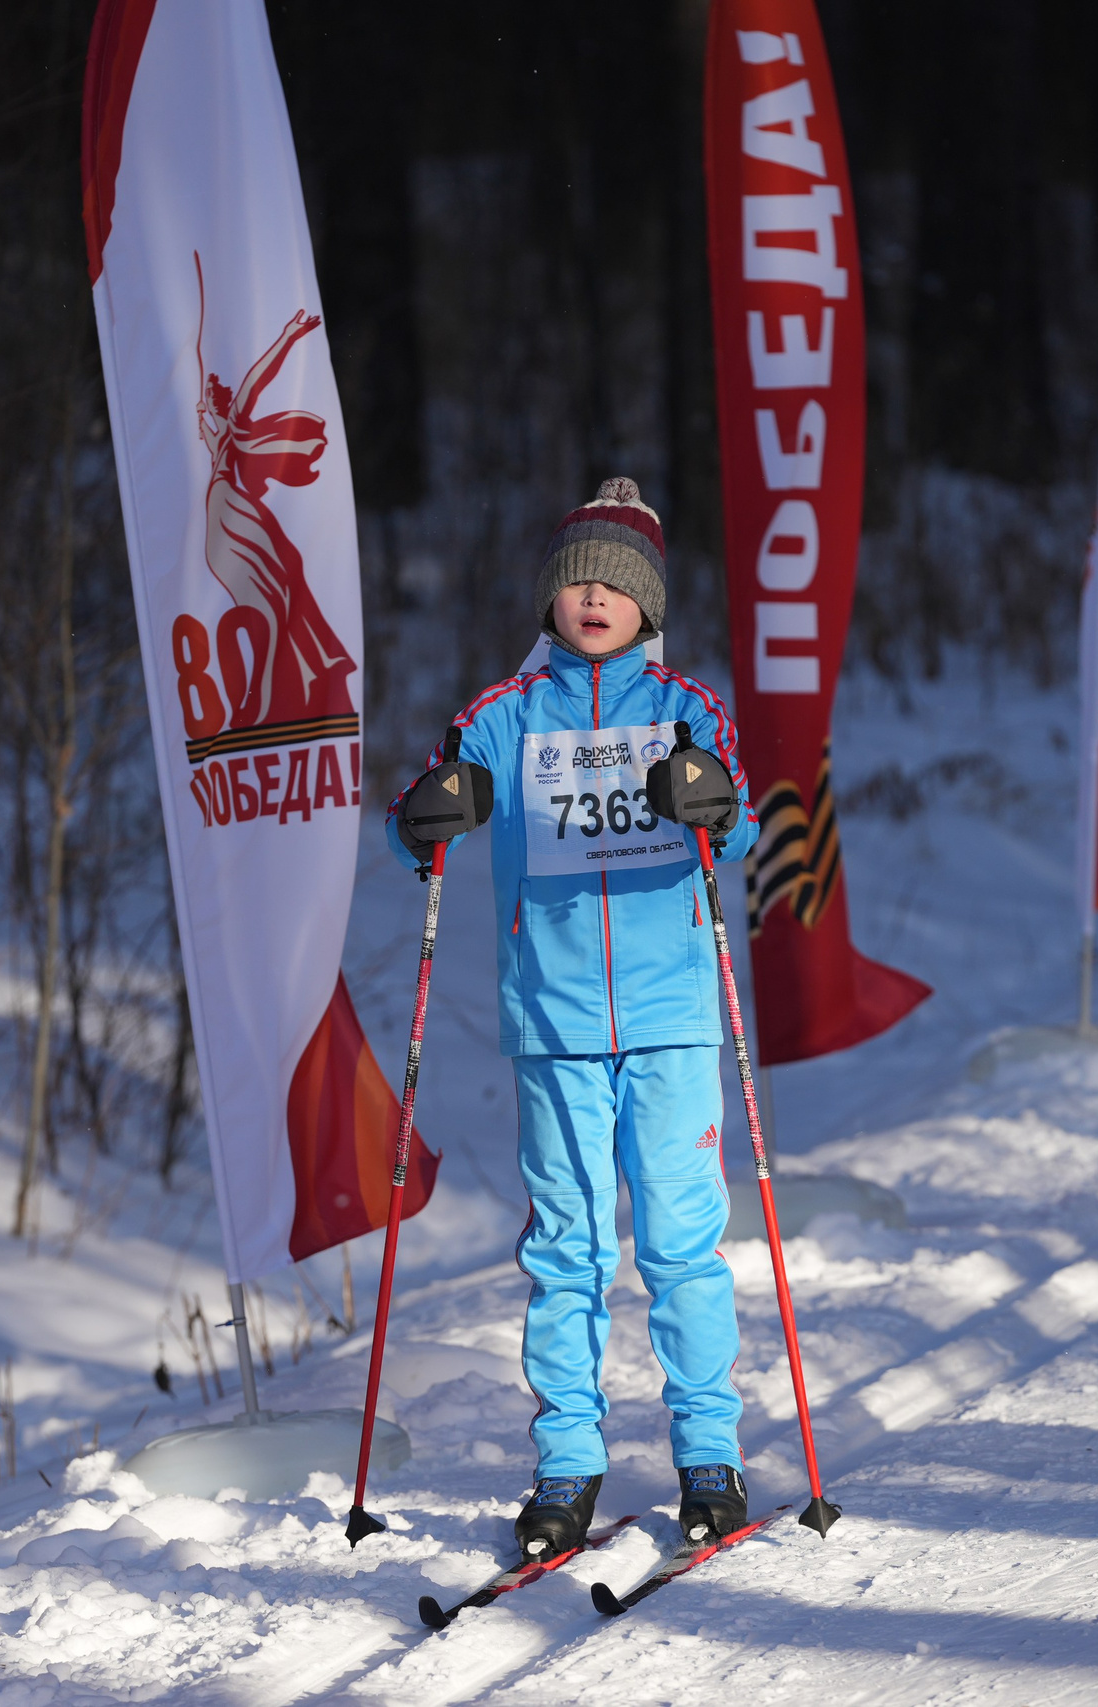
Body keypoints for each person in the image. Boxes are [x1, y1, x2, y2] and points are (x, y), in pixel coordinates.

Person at [385, 477, 760, 1559]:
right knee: (567, 1248)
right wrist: (427, 819)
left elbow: (734, 824)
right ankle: (566, 1462)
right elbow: (427, 814)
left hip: (671, 1017)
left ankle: (708, 1451)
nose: (593, 597)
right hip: (552, 1019)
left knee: (682, 1241)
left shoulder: (685, 707)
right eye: (575, 581)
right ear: (550, 599)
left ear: (649, 605)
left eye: (616, 583)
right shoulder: (501, 715)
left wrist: (708, 800)